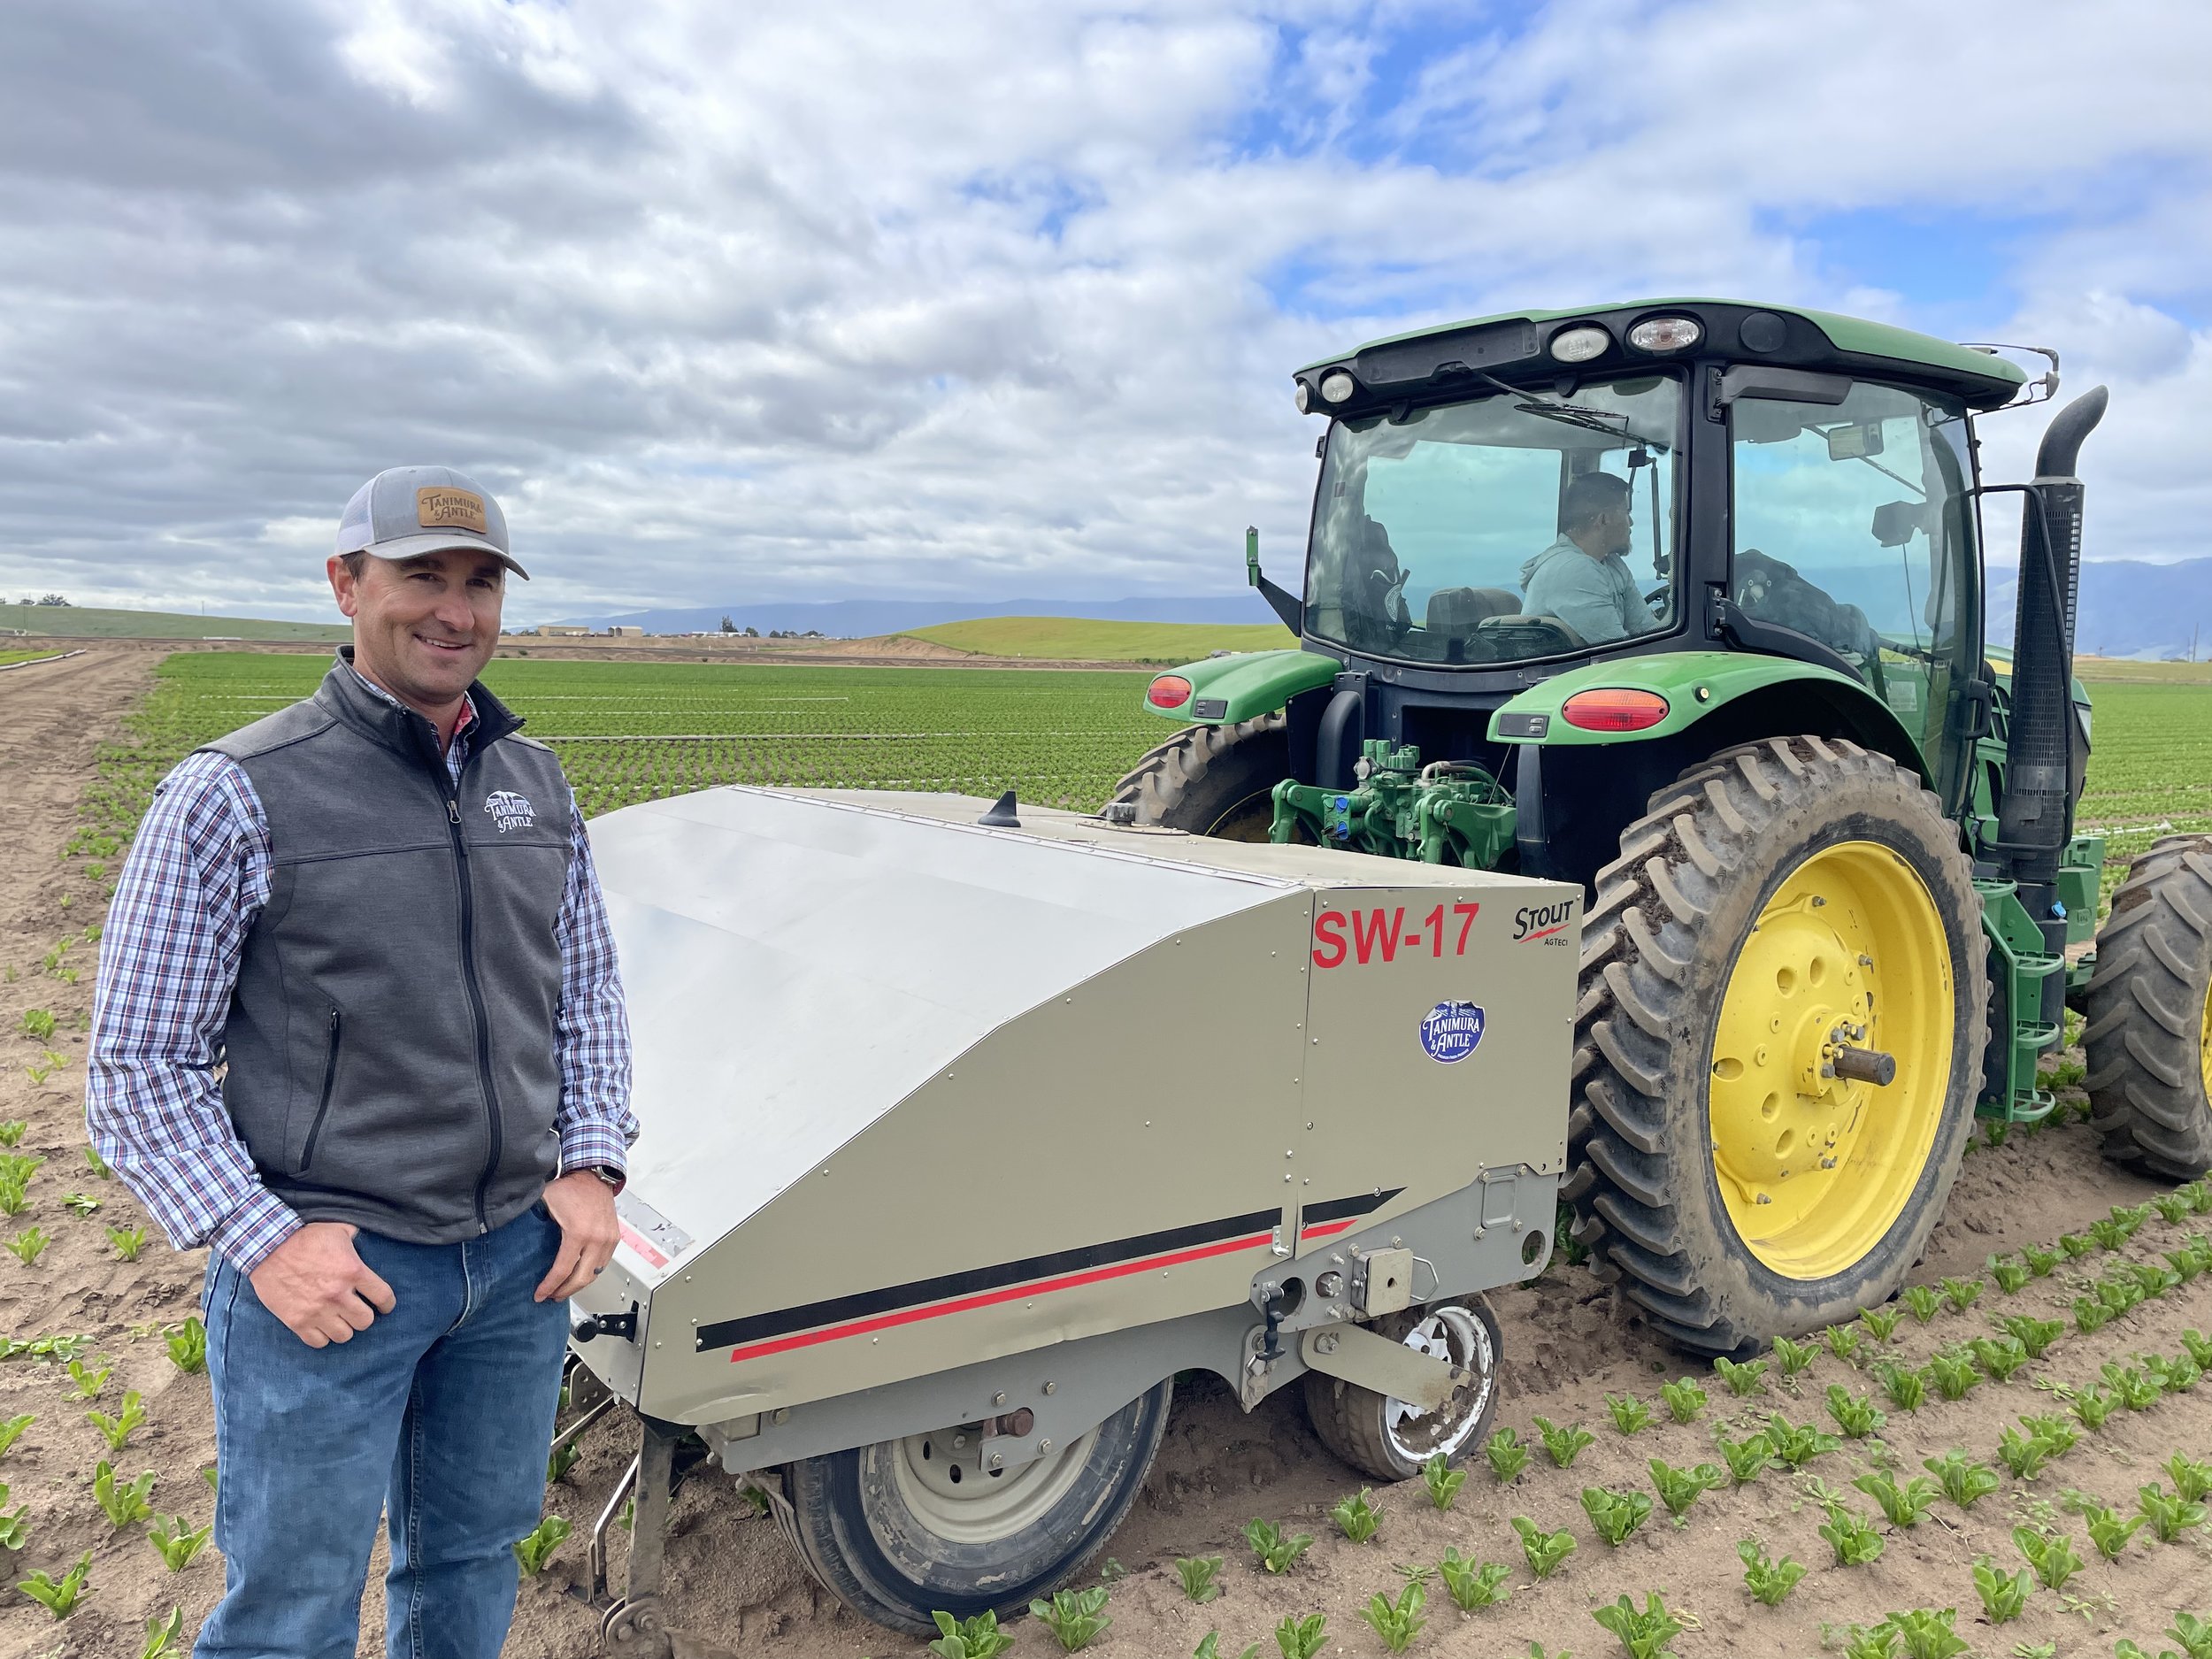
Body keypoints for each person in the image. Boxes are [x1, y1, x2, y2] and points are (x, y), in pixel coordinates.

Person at [87, 465, 639, 1659]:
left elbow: (583, 986)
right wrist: (266, 1237)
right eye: (421, 576)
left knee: (473, 1560)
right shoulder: (236, 793)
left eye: (481, 580)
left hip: (513, 1267)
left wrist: (590, 1159)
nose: (455, 610)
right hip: (336, 1270)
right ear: (346, 584)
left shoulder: (534, 784)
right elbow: (137, 1063)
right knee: (291, 1605)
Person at [1518, 471, 1659, 644]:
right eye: (1626, 512)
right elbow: (1617, 650)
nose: (1630, 523)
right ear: (1603, 519)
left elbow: (1650, 632)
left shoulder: (1612, 564)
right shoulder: (1574, 569)